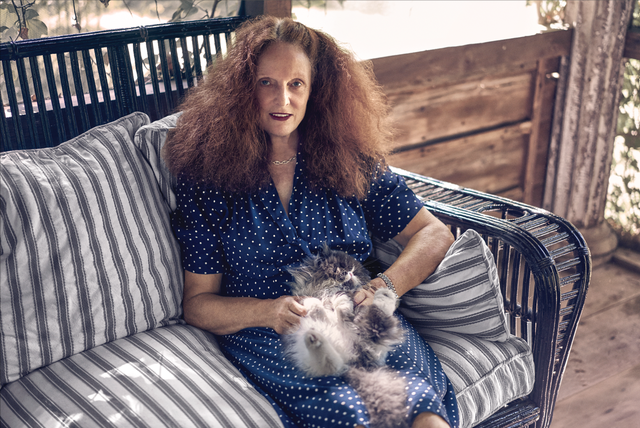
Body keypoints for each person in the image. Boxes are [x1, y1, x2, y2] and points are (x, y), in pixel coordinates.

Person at [163, 16, 459, 428]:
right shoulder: (207, 176)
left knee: (421, 403)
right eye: (266, 82)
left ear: (315, 90)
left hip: (359, 312)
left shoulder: (350, 158)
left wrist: (385, 288)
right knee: (348, 413)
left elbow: (433, 233)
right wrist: (269, 311)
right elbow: (198, 305)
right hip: (276, 330)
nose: (282, 99)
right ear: (242, 89)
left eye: (295, 84)